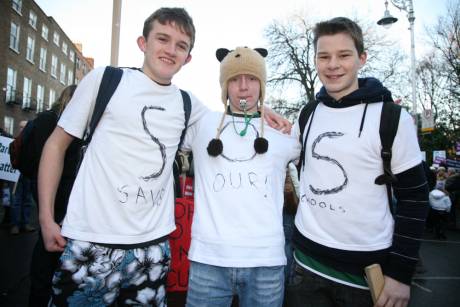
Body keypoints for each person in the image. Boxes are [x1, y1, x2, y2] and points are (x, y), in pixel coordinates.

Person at [38, 8, 288, 306]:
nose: (171, 50)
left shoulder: (188, 105)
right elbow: (55, 145)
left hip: (153, 250)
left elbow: (231, 119)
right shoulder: (105, 80)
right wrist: (45, 216)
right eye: (163, 39)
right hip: (90, 242)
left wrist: (261, 110)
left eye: (181, 45)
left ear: (188, 58)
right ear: (143, 42)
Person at [287, 17, 429, 307]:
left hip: (365, 276)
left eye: (344, 55)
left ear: (361, 58)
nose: (333, 64)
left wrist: (400, 275)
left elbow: (414, 198)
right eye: (324, 56)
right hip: (305, 266)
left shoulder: (391, 117)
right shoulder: (307, 113)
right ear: (315, 60)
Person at [181, 46, 300, 307]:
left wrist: (265, 111)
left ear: (262, 84)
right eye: (234, 79)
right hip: (208, 261)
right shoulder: (202, 123)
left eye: (252, 78)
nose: (243, 87)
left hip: (266, 263)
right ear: (224, 86)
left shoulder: (282, 133)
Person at [29, 85, 81, 307]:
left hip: (48, 198)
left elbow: (30, 162)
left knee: (44, 257)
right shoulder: (73, 127)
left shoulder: (43, 121)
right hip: (66, 202)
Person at [10, 121, 35, 235]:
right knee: (17, 199)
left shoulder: (31, 143)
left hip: (27, 174)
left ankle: (24, 223)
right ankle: (15, 224)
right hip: (17, 174)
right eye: (21, 127)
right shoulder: (16, 142)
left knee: (27, 199)